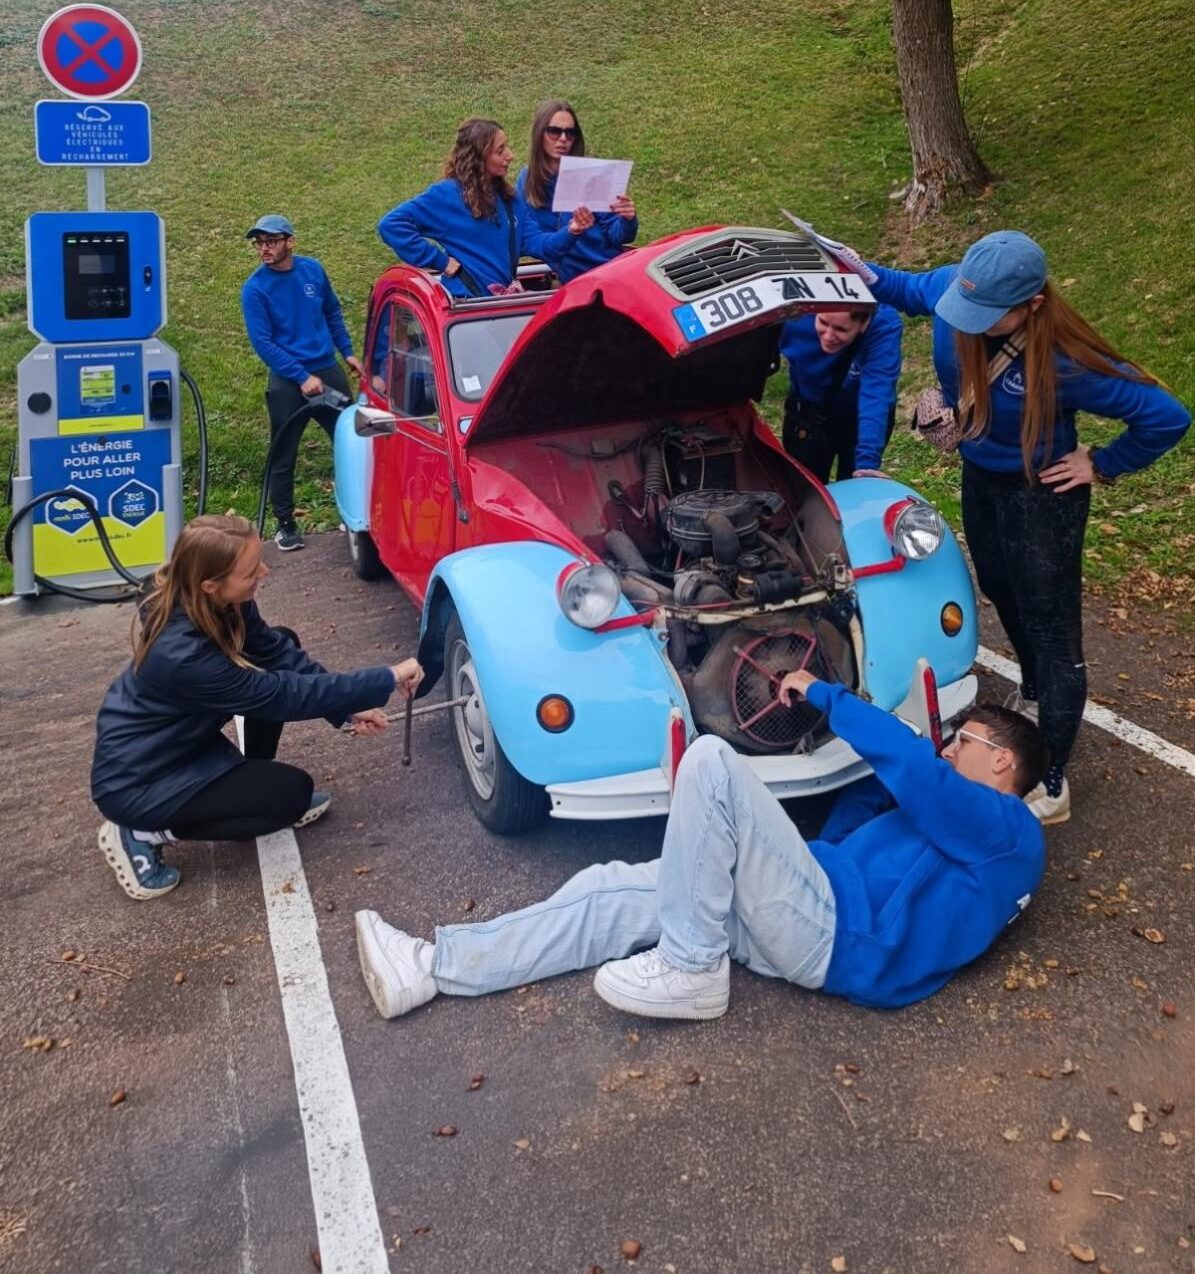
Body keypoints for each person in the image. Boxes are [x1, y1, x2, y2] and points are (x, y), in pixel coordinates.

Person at [355, 671, 1047, 1022]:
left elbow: (918, 775)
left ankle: (690, 969)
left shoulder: (1008, 829)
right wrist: (879, 784)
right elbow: (849, 830)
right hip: (814, 917)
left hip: (837, 936)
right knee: (613, 890)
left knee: (712, 763)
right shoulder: (969, 834)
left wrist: (826, 695)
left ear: (1001, 763)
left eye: (964, 740)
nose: (949, 745)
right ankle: (435, 967)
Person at [864, 230, 1191, 824]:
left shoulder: (1066, 361)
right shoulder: (952, 292)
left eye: (986, 317)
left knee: (1053, 630)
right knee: (999, 586)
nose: (967, 323)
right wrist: (853, 264)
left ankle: (1054, 782)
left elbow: (1167, 417)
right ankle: (1037, 693)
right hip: (982, 480)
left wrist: (1102, 463)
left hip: (1042, 498)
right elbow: (903, 288)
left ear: (1032, 304)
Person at [91, 515, 422, 901]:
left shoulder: (219, 600)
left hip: (181, 742)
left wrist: (346, 710)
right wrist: (386, 677)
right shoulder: (181, 656)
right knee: (289, 797)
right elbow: (281, 696)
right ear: (210, 585)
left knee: (282, 642)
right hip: (141, 779)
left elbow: (274, 651)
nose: (263, 572)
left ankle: (247, 783)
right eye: (250, 572)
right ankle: (141, 831)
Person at [240, 214, 362, 553]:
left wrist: (347, 352)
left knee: (351, 441)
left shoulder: (312, 271)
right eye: (259, 243)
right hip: (288, 380)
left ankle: (356, 514)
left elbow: (332, 312)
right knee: (283, 452)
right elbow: (263, 343)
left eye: (271, 242)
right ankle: (285, 525)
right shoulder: (255, 289)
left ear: (290, 242)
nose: (264, 249)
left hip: (326, 369)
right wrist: (301, 377)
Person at [377, 117, 594, 298]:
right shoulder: (446, 195)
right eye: (500, 150)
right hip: (464, 310)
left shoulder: (511, 200)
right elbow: (391, 225)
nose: (510, 155)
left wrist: (572, 230)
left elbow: (543, 246)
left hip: (499, 308)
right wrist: (439, 261)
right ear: (479, 158)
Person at [515, 99, 638, 284]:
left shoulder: (590, 174)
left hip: (609, 273)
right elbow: (525, 238)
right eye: (555, 131)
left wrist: (627, 219)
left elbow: (618, 235)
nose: (563, 139)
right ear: (540, 133)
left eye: (570, 133)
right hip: (571, 281)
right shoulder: (526, 180)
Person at [778, 303, 903, 480]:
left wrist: (866, 464)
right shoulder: (795, 314)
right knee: (803, 490)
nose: (828, 336)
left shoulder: (883, 325)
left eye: (840, 329)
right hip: (808, 412)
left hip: (859, 416)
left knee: (854, 492)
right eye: (822, 322)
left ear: (865, 323)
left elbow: (876, 393)